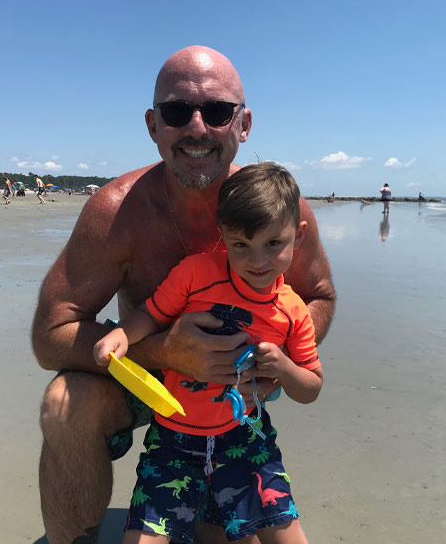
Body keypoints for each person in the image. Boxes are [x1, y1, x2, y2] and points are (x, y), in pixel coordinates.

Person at [32, 45, 336, 544]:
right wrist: (165, 351)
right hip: (143, 378)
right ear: (153, 125)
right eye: (177, 112)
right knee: (66, 402)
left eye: (217, 111)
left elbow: (319, 296)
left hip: (235, 394)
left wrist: (273, 360)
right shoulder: (116, 212)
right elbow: (50, 336)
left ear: (244, 124)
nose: (197, 127)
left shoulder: (278, 210)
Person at [94, 163, 322, 544]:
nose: (258, 261)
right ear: (223, 236)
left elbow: (311, 387)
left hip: (246, 440)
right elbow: (151, 314)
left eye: (273, 243)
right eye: (241, 246)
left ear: (297, 236)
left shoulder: (293, 310)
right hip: (172, 439)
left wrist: (283, 367)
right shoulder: (196, 273)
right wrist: (121, 335)